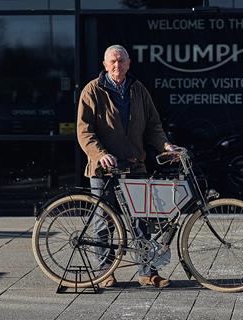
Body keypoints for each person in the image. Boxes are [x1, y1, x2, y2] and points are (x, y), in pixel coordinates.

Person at [77, 44, 177, 288]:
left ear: (129, 64)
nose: (117, 65)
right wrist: (100, 154)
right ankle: (104, 271)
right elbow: (84, 130)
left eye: (121, 61)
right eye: (112, 61)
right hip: (104, 168)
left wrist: (165, 146)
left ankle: (147, 272)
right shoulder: (93, 90)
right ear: (104, 64)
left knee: (141, 221)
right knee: (103, 221)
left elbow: (153, 125)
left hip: (134, 165)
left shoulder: (138, 89)